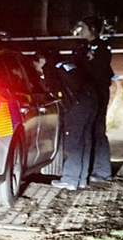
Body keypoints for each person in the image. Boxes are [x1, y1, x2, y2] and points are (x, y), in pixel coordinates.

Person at [33, 50, 99, 191]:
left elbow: (53, 92)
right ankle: (82, 179)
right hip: (91, 102)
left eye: (37, 66)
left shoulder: (49, 68)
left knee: (73, 143)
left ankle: (70, 179)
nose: (38, 71)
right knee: (85, 141)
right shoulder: (66, 63)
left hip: (76, 106)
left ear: (41, 60)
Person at [71, 16, 115, 182]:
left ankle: (102, 171)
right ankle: (89, 168)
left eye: (83, 27)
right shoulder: (81, 46)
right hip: (86, 93)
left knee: (97, 129)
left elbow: (96, 69)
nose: (79, 30)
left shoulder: (101, 47)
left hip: (97, 92)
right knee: (87, 130)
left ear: (92, 29)